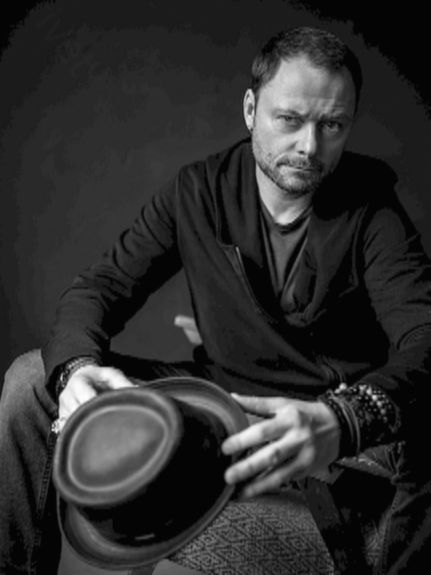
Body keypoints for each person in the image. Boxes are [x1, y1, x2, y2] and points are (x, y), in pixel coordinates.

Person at [1, 25, 431, 574]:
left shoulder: (372, 206)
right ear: (251, 109)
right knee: (29, 381)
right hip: (221, 400)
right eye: (290, 119)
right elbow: (100, 288)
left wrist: (346, 417)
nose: (309, 146)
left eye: (332, 125)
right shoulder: (197, 191)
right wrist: (76, 370)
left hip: (329, 420)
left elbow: (424, 337)